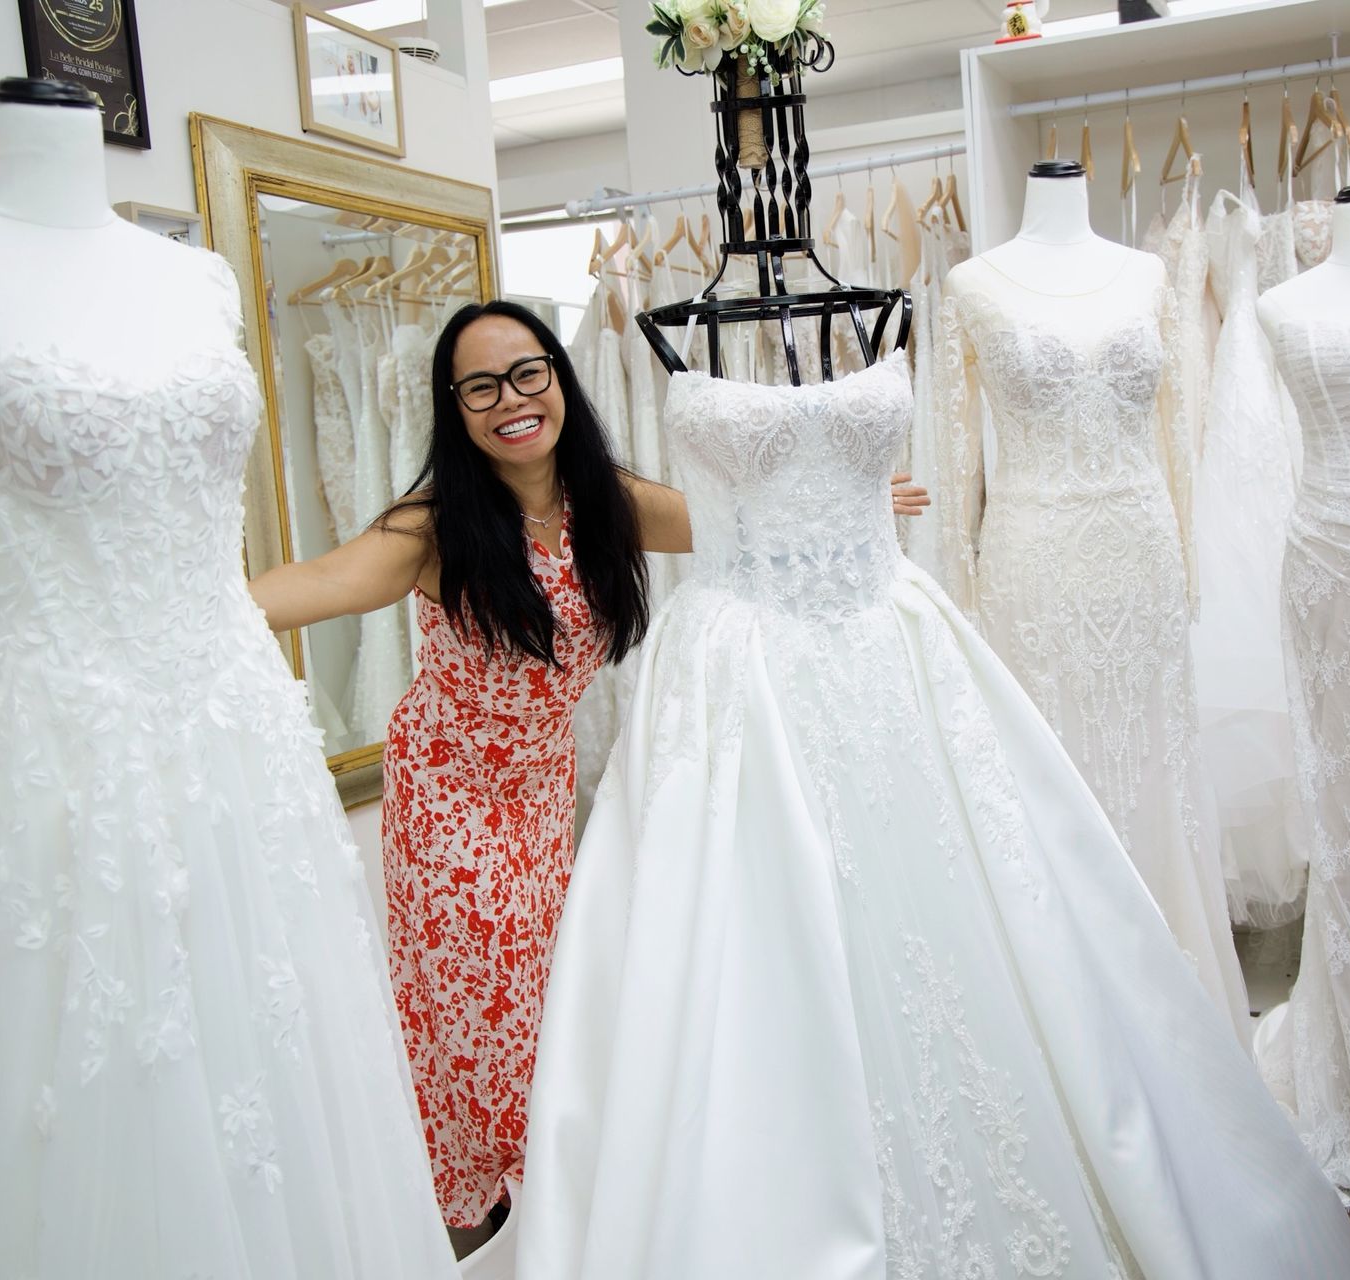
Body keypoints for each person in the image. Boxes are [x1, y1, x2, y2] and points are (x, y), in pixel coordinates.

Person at [248, 299, 928, 1250]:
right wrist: (190, 606)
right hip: (447, 799)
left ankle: (544, 1210)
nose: (511, 401)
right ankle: (496, 1218)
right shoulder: (433, 525)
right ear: (456, 408)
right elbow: (322, 582)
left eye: (529, 373)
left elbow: (735, 527)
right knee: (492, 1007)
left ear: (560, 380)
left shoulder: (602, 499)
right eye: (480, 386)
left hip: (539, 791)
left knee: (549, 998)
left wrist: (849, 507)